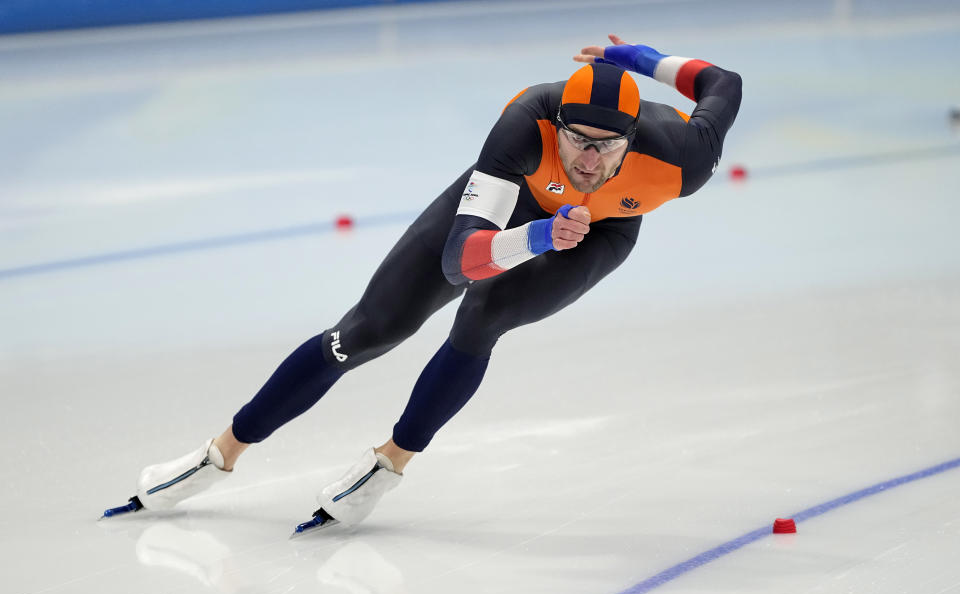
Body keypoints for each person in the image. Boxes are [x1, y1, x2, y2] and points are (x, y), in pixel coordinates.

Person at [110, 35, 742, 531]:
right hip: (518, 210)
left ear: (635, 139)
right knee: (367, 330)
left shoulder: (683, 156)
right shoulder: (525, 123)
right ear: (558, 126)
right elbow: (458, 262)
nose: (588, 159)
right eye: (578, 140)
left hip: (602, 232)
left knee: (482, 322)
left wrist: (645, 59)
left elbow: (723, 83)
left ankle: (390, 464)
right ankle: (218, 455)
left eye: (608, 148)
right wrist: (539, 238)